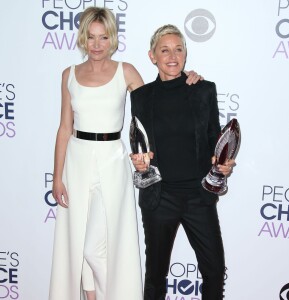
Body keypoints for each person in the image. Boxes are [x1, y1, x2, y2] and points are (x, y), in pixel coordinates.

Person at [49, 7, 201, 300]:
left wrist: (185, 80)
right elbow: (64, 128)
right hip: (77, 160)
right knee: (76, 239)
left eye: (103, 37)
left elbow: (154, 108)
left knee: (100, 243)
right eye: (91, 37)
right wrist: (57, 177)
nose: (96, 44)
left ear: (112, 38)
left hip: (113, 160)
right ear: (83, 38)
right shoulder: (68, 75)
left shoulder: (126, 71)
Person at [130, 24, 235, 300]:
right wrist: (140, 163)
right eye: (164, 50)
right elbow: (138, 145)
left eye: (178, 49)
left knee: (214, 272)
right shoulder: (140, 97)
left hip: (199, 195)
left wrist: (221, 163)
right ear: (152, 56)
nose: (172, 56)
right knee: (155, 276)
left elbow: (215, 139)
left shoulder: (203, 90)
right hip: (159, 198)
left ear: (185, 54)